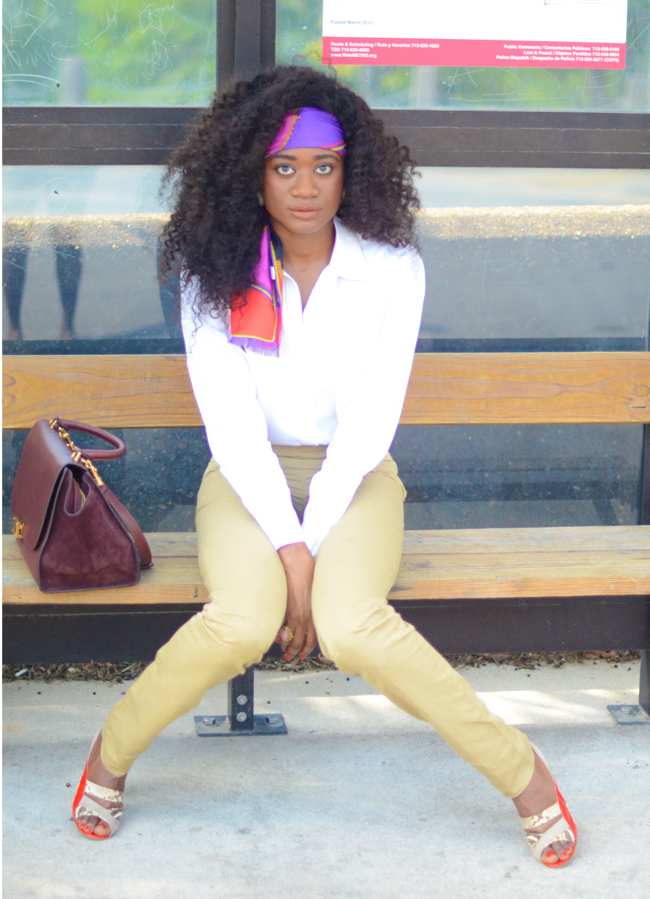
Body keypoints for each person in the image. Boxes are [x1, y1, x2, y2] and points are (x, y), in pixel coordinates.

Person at [72, 65, 577, 867]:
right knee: (241, 622)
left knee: (353, 627)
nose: (305, 187)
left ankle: (524, 773)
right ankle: (110, 753)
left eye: (323, 165)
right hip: (247, 477)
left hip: (357, 475)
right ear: (252, 174)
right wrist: (290, 545)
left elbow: (371, 424)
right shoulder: (215, 274)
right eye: (284, 166)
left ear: (352, 170)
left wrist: (309, 547)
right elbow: (232, 429)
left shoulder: (390, 270)